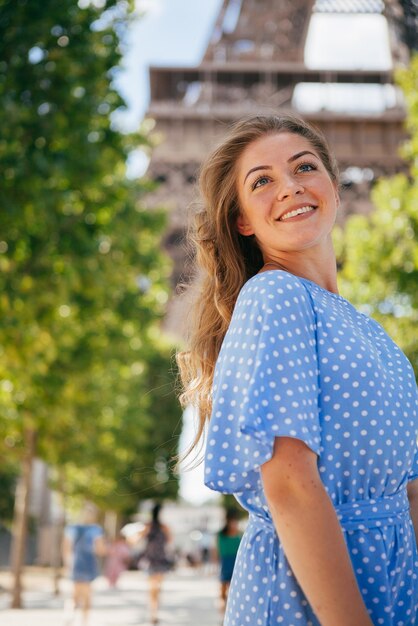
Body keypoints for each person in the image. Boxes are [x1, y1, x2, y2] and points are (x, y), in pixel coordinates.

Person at [177, 113, 418, 625]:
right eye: (261, 180)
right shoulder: (275, 296)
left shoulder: (368, 329)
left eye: (304, 167)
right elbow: (287, 484)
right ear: (242, 219)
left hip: (395, 591)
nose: (289, 187)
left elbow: (410, 488)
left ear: (333, 185)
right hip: (308, 603)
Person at [63, 506, 106, 626]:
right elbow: (100, 550)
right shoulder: (96, 530)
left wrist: (67, 564)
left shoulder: (71, 528)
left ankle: (70, 614)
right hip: (89, 563)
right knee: (87, 596)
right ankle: (84, 622)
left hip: (75, 563)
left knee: (74, 595)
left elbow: (66, 548)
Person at [139, 503, 173, 625]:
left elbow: (138, 539)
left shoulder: (148, 526)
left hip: (153, 560)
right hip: (157, 560)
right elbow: (170, 541)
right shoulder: (163, 527)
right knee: (156, 588)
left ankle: (153, 612)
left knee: (154, 588)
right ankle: (154, 612)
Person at [216, 509, 242, 615]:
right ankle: (223, 613)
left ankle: (230, 612)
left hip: (236, 563)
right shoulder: (220, 534)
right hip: (225, 562)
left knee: (233, 590)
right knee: (223, 590)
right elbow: (217, 550)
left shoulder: (240, 535)